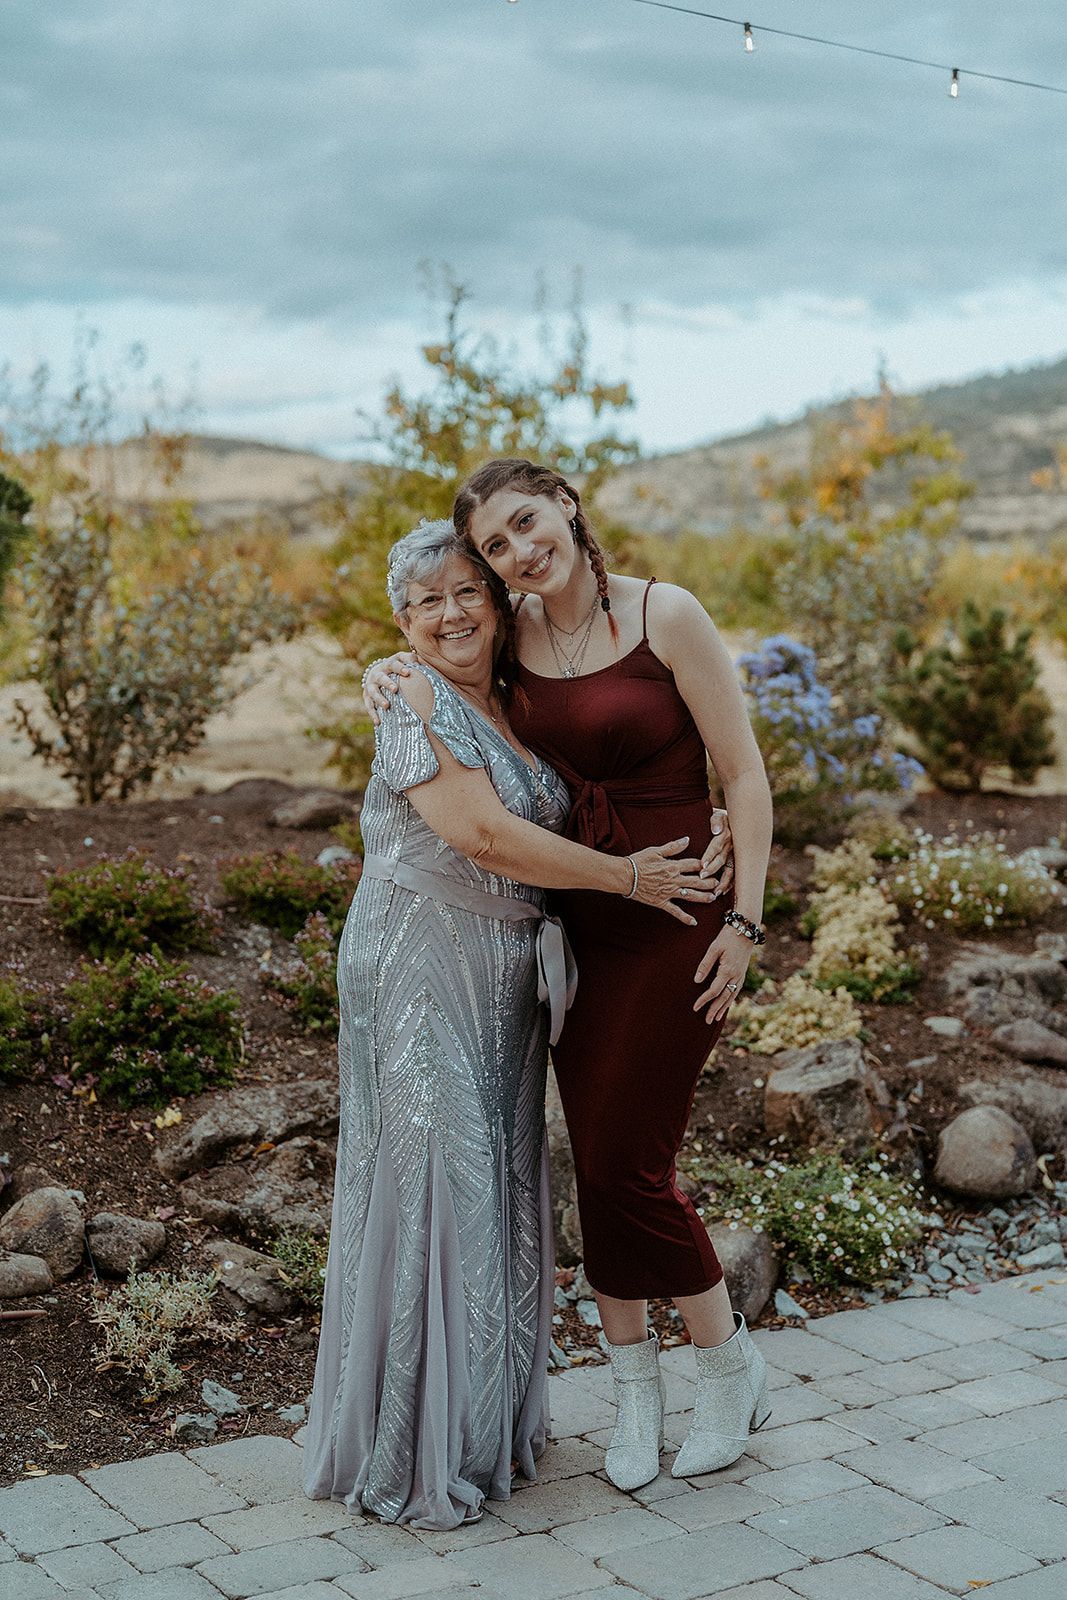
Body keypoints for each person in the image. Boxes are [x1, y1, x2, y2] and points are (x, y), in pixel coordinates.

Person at [364, 461, 775, 1493]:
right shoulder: (513, 638)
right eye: (494, 546)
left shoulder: (664, 615)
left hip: (677, 915)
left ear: (567, 505)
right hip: (578, 923)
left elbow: (743, 773)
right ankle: (633, 1396)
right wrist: (387, 666)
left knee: (630, 1168)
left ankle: (728, 1368)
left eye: (525, 522)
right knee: (594, 1167)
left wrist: (746, 922)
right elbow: (444, 661)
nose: (517, 552)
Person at [303, 519, 720, 1530]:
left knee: (492, 1183)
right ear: (401, 623)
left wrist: (696, 838)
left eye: (465, 593)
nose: (449, 614)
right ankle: (414, 1442)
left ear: (497, 603)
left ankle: (483, 1424)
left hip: (505, 979)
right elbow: (482, 833)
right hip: (417, 962)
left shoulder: (518, 698)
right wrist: (626, 876)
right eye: (424, 603)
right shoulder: (410, 697)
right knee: (431, 1183)